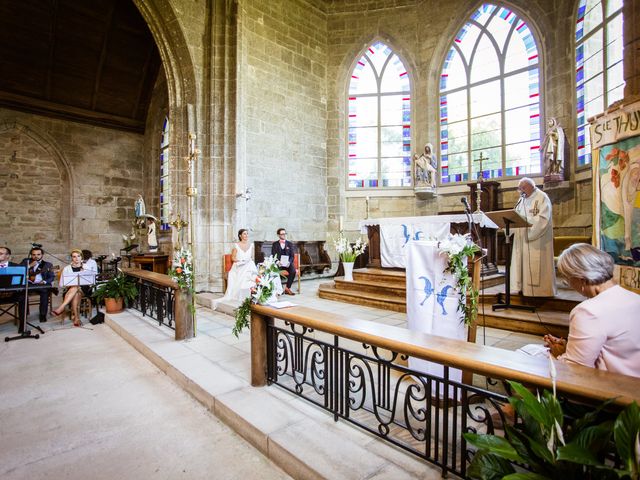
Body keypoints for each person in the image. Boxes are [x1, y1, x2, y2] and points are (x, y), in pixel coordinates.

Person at [544, 243, 640, 377]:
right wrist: (570, 348)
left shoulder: (588, 311)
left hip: (611, 388)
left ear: (581, 279)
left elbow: (576, 370)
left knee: (529, 360)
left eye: (568, 279)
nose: (569, 284)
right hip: (634, 380)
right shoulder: (635, 298)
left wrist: (558, 355)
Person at [510, 177, 556, 297]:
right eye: (519, 189)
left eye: (523, 188)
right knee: (522, 265)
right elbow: (516, 216)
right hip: (522, 239)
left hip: (537, 240)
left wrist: (528, 226)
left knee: (535, 265)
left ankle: (540, 292)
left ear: (531, 186)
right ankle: (521, 289)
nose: (521, 191)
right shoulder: (522, 199)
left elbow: (543, 219)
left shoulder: (542, 197)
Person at [213, 229, 258, 309]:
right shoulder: (236, 245)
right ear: (240, 236)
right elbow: (233, 258)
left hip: (248, 264)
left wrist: (247, 261)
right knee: (243, 272)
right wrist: (241, 261)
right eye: (244, 234)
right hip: (239, 265)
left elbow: (251, 257)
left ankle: (252, 293)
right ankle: (241, 294)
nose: (246, 235)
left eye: (247, 234)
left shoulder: (251, 245)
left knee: (251, 272)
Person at [20, 246, 55, 322]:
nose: (36, 256)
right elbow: (19, 271)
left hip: (40, 284)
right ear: (31, 255)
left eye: (38, 254)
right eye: (33, 254)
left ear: (42, 255)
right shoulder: (26, 261)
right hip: (28, 284)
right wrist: (29, 266)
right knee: (22, 293)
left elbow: (51, 277)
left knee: (45, 292)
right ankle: (24, 315)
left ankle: (42, 315)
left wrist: (44, 282)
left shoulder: (48, 265)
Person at [53, 249, 86, 327]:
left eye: (78, 256)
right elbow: (62, 284)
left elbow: (90, 281)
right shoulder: (67, 268)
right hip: (70, 290)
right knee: (75, 290)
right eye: (74, 257)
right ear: (72, 258)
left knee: (76, 287)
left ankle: (61, 307)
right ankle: (76, 318)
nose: (76, 258)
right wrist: (72, 284)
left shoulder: (86, 267)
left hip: (84, 289)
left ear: (81, 257)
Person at [271, 228, 296, 295]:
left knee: (293, 271)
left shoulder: (290, 244)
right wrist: (277, 262)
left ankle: (287, 288)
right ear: (278, 235)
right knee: (274, 271)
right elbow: (273, 255)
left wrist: (289, 262)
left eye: (285, 233)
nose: (284, 235)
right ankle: (279, 289)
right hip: (279, 264)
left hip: (287, 263)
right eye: (282, 234)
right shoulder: (275, 244)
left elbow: (292, 256)